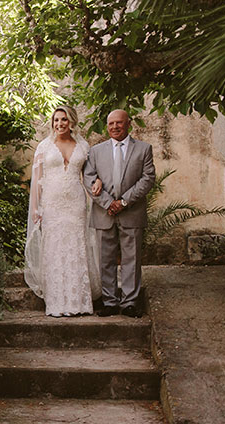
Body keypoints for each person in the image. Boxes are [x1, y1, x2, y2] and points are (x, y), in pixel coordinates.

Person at [24, 105, 100, 317]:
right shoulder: (44, 147)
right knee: (55, 248)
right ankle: (57, 302)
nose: (60, 124)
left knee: (76, 246)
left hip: (76, 202)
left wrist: (98, 182)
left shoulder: (83, 146)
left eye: (64, 120)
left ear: (72, 122)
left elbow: (91, 174)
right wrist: (36, 209)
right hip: (52, 203)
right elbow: (37, 180)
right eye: (56, 120)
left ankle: (79, 302)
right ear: (52, 123)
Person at [83, 109, 155, 317]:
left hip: (132, 212)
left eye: (119, 123)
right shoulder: (95, 151)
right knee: (105, 259)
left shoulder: (144, 149)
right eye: (111, 123)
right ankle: (110, 301)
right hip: (104, 213)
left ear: (128, 124)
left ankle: (130, 303)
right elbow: (89, 179)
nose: (115, 127)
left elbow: (147, 178)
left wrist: (123, 202)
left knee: (131, 259)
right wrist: (108, 203)